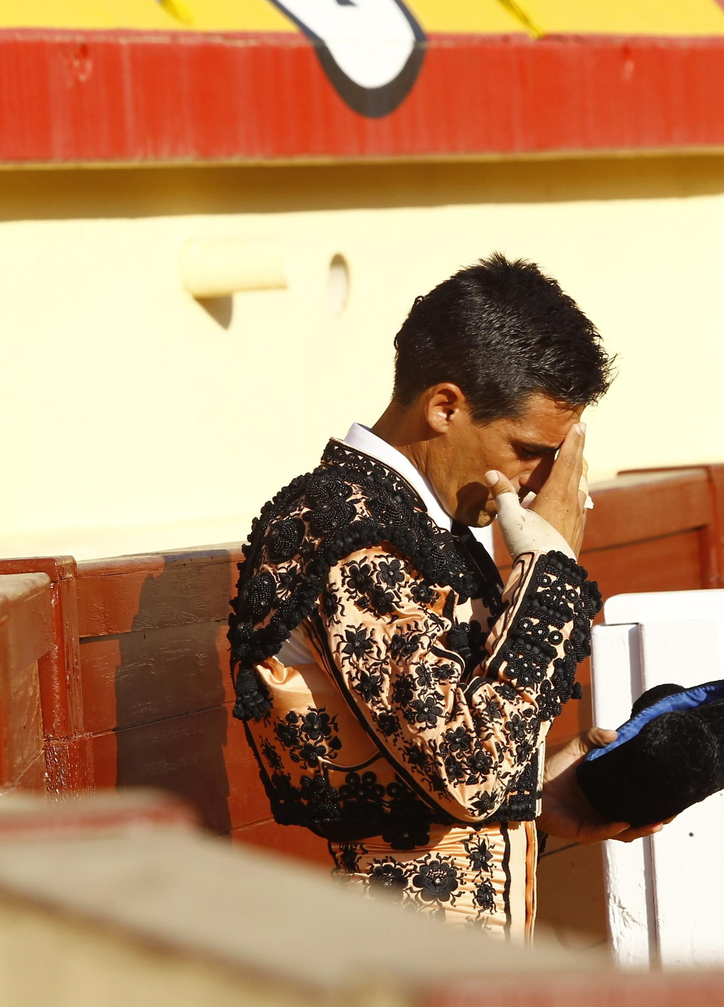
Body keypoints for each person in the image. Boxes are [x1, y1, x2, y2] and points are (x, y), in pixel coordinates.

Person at [228, 253, 663, 939]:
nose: (539, 483)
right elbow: (468, 775)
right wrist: (550, 571)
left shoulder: (430, 528)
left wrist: (546, 793)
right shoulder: (353, 532)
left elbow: (447, 774)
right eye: (528, 449)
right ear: (445, 406)